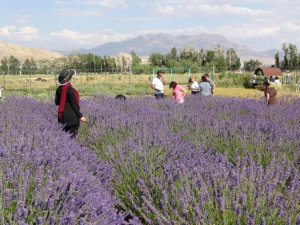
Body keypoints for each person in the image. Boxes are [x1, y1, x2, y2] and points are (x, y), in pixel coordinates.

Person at [55, 69, 86, 138]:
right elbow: (74, 105)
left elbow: (57, 102)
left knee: (64, 141)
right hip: (73, 120)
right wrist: (81, 116)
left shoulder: (58, 89)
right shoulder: (71, 90)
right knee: (72, 140)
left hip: (62, 119)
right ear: (70, 79)